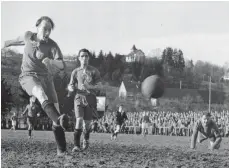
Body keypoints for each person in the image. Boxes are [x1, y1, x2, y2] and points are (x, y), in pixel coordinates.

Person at [3, 16, 68, 156]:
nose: (47, 32)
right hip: (28, 76)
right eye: (45, 28)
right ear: (37, 27)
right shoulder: (28, 36)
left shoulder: (52, 45)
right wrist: (4, 43)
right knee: (39, 92)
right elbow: (15, 40)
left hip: (46, 79)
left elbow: (62, 65)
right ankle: (58, 119)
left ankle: (62, 150)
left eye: (50, 30)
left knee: (56, 113)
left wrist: (51, 61)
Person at [67, 48, 101, 152]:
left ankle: (86, 139)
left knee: (87, 124)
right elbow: (70, 85)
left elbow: (99, 86)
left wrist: (89, 87)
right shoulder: (75, 71)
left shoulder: (94, 71)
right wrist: (71, 88)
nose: (84, 58)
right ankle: (76, 145)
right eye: (82, 56)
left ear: (88, 58)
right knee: (79, 120)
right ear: (79, 58)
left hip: (90, 98)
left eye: (86, 56)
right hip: (78, 97)